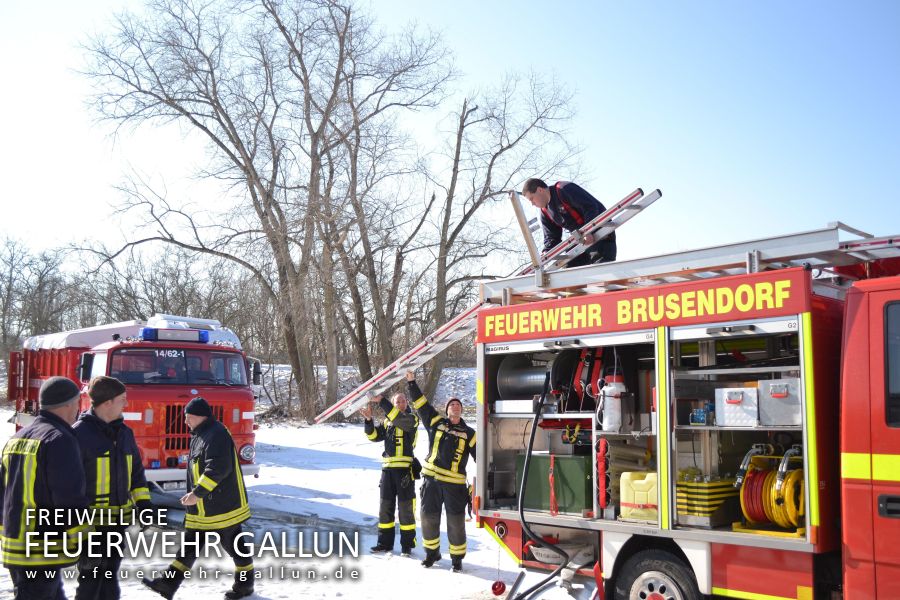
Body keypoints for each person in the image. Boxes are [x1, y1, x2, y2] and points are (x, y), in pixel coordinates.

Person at [142, 397, 255, 600]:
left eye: (188, 418)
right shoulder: (202, 433)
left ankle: (245, 586)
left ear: (199, 417)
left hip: (221, 506)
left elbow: (217, 469)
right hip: (205, 507)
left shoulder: (216, 434)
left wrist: (197, 494)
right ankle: (168, 584)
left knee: (235, 546)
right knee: (191, 545)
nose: (186, 422)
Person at [0, 376, 90, 600]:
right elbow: (69, 498)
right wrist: (86, 541)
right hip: (41, 548)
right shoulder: (60, 439)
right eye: (77, 403)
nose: (78, 410)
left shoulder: (17, 438)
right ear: (68, 403)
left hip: (15, 545)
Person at [73, 375, 154, 600]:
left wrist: (144, 504)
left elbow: (136, 473)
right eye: (122, 399)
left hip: (117, 526)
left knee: (109, 584)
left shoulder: (125, 433)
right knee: (89, 585)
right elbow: (68, 488)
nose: (126, 404)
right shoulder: (78, 435)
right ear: (107, 402)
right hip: (91, 530)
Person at [406, 371, 476, 573]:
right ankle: (431, 553)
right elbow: (421, 404)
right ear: (447, 410)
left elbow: (480, 457)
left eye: (458, 405)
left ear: (461, 411)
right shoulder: (436, 423)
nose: (455, 406)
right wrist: (412, 382)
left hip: (455, 487)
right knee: (428, 518)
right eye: (452, 405)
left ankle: (456, 559)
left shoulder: (470, 434)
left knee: (455, 522)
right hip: (432, 481)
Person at [360, 391, 419, 556]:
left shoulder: (412, 419)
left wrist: (382, 401)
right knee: (385, 508)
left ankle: (407, 545)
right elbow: (373, 436)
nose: (400, 404)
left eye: (403, 401)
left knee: (406, 509)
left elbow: (400, 420)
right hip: (387, 471)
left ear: (406, 404)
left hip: (405, 471)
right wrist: (369, 420)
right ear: (393, 405)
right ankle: (384, 543)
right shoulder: (387, 422)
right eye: (397, 402)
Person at [521, 178, 617, 267]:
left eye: (532, 199)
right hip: (580, 239)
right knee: (568, 266)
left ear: (540, 190)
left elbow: (590, 207)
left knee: (600, 267)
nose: (532, 204)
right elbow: (552, 237)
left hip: (599, 232)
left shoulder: (563, 189)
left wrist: (588, 230)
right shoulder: (545, 212)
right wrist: (546, 253)